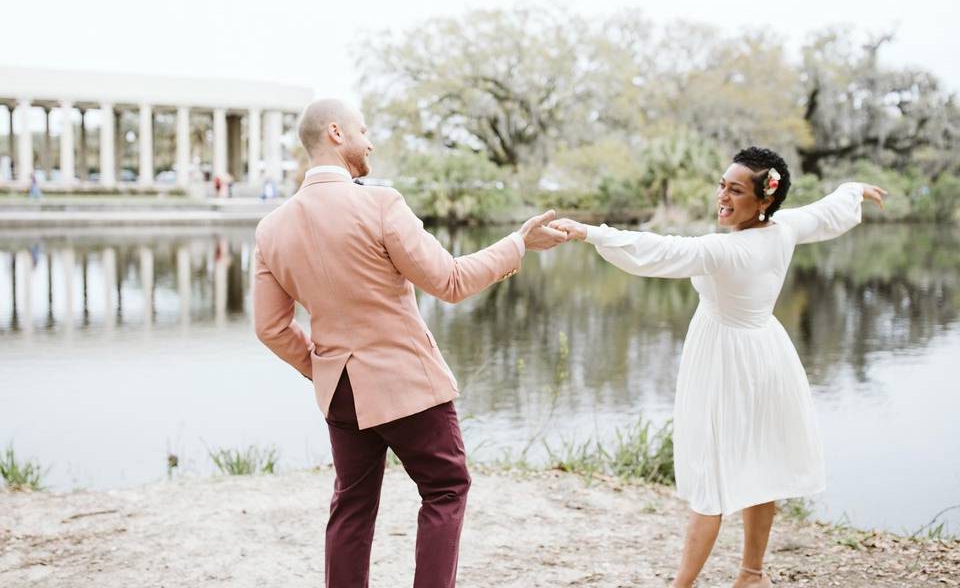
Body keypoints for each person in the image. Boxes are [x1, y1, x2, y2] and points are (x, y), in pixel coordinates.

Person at [252, 98, 565, 588]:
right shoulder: (380, 203)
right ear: (336, 133)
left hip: (340, 391)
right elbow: (453, 282)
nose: (370, 141)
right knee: (445, 488)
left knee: (351, 506)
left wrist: (325, 366)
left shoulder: (271, 228)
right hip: (406, 383)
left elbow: (270, 327)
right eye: (363, 130)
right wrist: (518, 243)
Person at [550, 147, 887, 588]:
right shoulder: (782, 229)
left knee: (711, 475)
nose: (723, 197)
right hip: (766, 353)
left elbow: (656, 250)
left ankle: (683, 586)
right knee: (761, 466)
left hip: (729, 360)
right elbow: (822, 214)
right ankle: (751, 574)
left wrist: (589, 233)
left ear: (764, 199)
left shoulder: (722, 251)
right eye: (722, 185)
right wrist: (853, 190)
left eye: (736, 190)